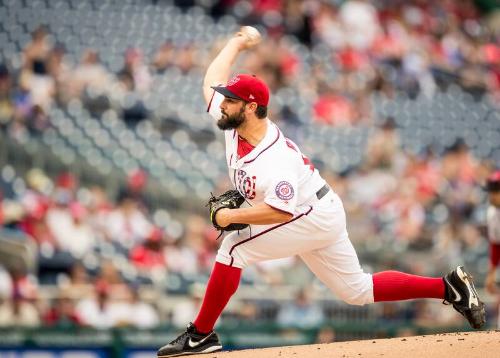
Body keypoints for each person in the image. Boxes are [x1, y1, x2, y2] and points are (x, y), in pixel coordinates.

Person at [157, 28, 486, 357]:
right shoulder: (235, 122)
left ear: (251, 107)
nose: (222, 104)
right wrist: (237, 43)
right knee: (356, 290)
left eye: (231, 100)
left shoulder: (274, 159)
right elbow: (209, 80)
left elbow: (280, 212)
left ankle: (201, 335)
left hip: (308, 214)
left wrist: (231, 215)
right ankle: (448, 286)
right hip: (317, 207)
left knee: (233, 248)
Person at [483, 170, 500, 328]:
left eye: (497, 191)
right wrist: (491, 274)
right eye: (492, 191)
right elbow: (496, 244)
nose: (493, 195)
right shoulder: (492, 213)